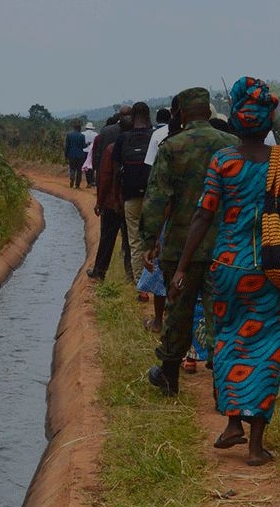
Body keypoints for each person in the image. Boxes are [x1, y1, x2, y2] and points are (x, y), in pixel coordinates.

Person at [172, 77, 280, 466]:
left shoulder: (223, 162)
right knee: (266, 351)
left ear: (234, 119)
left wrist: (182, 267)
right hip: (272, 268)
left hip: (228, 267)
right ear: (269, 120)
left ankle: (233, 422)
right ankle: (255, 446)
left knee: (229, 341)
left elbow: (203, 214)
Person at [139, 87, 237, 395]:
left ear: (181, 114)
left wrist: (151, 240)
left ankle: (169, 376)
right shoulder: (232, 145)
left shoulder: (172, 147)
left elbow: (157, 198)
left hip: (181, 246)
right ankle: (224, 386)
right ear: (208, 112)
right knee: (221, 313)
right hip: (226, 247)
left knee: (178, 311)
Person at [87, 109, 134, 281]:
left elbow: (105, 176)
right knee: (131, 240)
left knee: (107, 237)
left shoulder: (111, 147)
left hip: (112, 201)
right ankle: (131, 275)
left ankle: (99, 271)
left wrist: (100, 201)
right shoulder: (143, 146)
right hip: (134, 199)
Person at [117, 102, 155, 289]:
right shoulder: (154, 137)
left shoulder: (123, 138)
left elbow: (117, 168)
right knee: (153, 240)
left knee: (134, 241)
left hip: (130, 196)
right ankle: (154, 282)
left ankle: (141, 286)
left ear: (132, 118)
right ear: (148, 117)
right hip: (152, 198)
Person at [63, 120, 88, 188]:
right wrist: (87, 144)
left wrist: (65, 155)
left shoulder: (69, 135)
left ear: (74, 128)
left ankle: (72, 177)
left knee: (72, 168)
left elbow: (67, 146)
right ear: (79, 128)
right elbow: (83, 146)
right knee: (79, 170)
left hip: (71, 155)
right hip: (80, 155)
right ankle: (77, 185)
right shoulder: (82, 136)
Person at [81, 121, 98, 187]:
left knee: (86, 167)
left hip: (84, 151)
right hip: (92, 152)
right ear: (92, 128)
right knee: (92, 166)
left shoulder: (82, 134)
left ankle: (89, 182)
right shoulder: (95, 134)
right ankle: (92, 180)